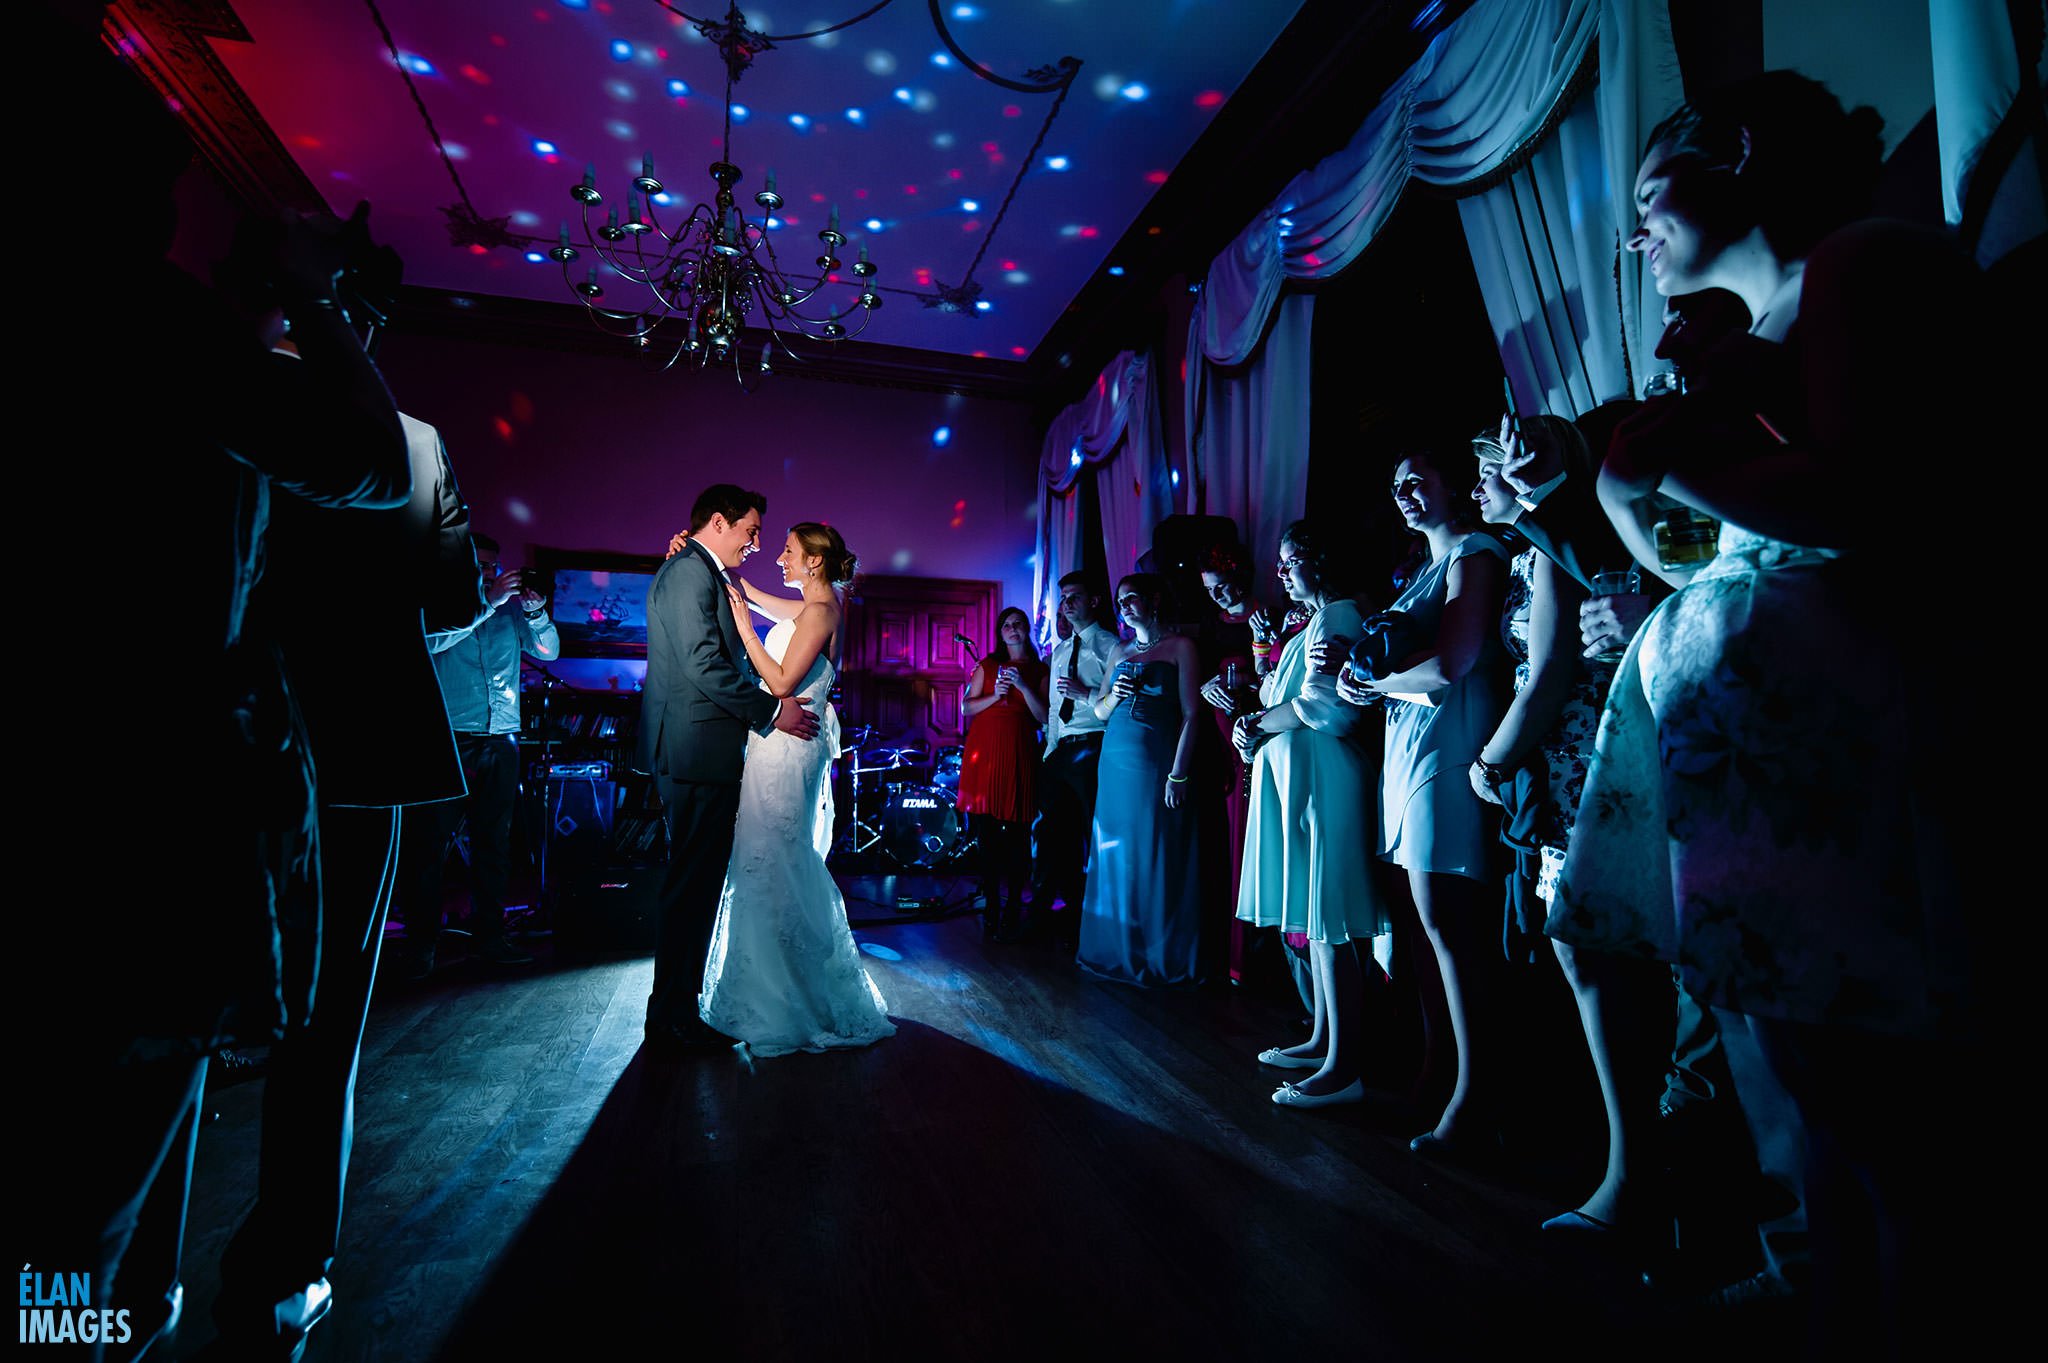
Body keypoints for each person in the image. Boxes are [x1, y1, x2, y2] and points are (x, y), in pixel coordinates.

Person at [1554, 72, 1993, 1346]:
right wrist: (1642, 480)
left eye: (1647, 198)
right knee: (1814, 1098)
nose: (1635, 234)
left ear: (1735, 158)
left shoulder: (1861, 262)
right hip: (1764, 772)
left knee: (1883, 1116)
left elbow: (1864, 501)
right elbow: (1702, 556)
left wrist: (1667, 454)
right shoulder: (1763, 329)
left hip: (1849, 757)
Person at [17, 17, 416, 1360]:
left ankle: (117, 1315)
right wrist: (312, 307)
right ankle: (84, 1325)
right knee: (94, 1161)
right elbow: (367, 465)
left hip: (136, 781)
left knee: (105, 1141)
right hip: (150, 804)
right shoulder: (144, 322)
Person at [219, 404, 486, 1359]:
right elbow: (456, 597)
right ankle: (287, 1273)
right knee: (326, 1020)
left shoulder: (205, 374)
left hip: (220, 721)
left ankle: (112, 1292)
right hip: (362, 744)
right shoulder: (412, 440)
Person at [1335, 447, 1512, 1158]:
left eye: (1418, 480)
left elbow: (1450, 665)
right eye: (1397, 485)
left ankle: (1479, 1095)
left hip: (1453, 743)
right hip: (1409, 751)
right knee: (1422, 930)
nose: (1405, 493)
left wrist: (1374, 686)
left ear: (1453, 486)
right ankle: (1440, 1070)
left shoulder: (1475, 550)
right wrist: (1356, 678)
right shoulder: (1415, 577)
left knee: (1449, 925)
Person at [699, 523, 895, 1055]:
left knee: (779, 855)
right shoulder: (811, 605)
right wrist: (720, 571)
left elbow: (782, 683)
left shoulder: (824, 609)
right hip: (774, 742)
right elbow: (758, 598)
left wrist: (742, 628)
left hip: (790, 745)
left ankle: (788, 998)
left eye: (787, 551)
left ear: (814, 561)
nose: (779, 558)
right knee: (764, 856)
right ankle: (764, 986)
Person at [637, 485, 821, 1054]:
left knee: (695, 885)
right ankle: (671, 1019)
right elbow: (702, 665)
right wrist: (772, 712)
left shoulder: (699, 568)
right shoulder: (690, 572)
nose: (758, 542)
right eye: (751, 530)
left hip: (703, 751)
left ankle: (675, 1013)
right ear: (719, 522)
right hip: (695, 752)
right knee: (690, 887)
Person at [1234, 522, 1386, 1107]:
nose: (1280, 572)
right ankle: (1324, 1038)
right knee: (1313, 917)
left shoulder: (1341, 614)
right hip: (1297, 776)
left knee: (1330, 918)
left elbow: (1327, 706)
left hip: (1325, 776)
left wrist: (1257, 723)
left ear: (1320, 562)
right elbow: (1279, 694)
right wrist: (1261, 720)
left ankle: (1345, 1064)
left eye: (1289, 560)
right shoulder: (1309, 625)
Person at [393, 533, 561, 979]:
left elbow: (549, 651)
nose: (491, 572)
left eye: (494, 564)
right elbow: (428, 645)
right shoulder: (440, 604)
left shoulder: (509, 609)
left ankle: (490, 938)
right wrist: (484, 602)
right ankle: (420, 946)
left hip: (502, 736)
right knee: (429, 848)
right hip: (448, 738)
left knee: (494, 846)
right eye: (481, 565)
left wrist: (535, 610)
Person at [1076, 573, 1204, 986]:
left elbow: (1192, 713)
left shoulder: (1181, 647)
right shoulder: (1120, 650)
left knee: (1153, 852)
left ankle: (1157, 952)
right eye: (1119, 600)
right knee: (1116, 853)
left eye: (1131, 598)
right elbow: (1099, 711)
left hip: (1155, 760)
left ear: (1153, 600)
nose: (1124, 606)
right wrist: (1116, 694)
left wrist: (1178, 773)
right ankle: (1116, 948)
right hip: (1114, 758)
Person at [1034, 572, 1119, 947]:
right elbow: (1054, 708)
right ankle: (1055, 913)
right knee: (1052, 833)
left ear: (1095, 602)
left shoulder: (1111, 646)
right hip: (1061, 749)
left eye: (1074, 596)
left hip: (1094, 745)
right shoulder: (1059, 652)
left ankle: (1097, 917)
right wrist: (1051, 748)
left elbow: (1118, 705)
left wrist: (1085, 693)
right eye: (1063, 597)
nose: (1066, 604)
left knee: (1091, 831)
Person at [956, 606, 1049, 941]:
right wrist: (995, 695)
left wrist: (1023, 685)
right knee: (988, 837)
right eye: (1006, 625)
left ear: (1026, 630)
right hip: (985, 755)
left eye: (1018, 624)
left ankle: (1013, 907)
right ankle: (992, 905)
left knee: (1018, 841)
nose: (1012, 629)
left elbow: (1044, 718)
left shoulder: (1040, 670)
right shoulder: (988, 665)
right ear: (1000, 632)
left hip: (1020, 754)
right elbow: (966, 707)